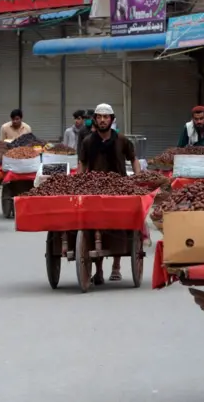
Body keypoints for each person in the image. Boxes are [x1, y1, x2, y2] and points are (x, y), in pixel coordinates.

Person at [78, 103, 141, 285]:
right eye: (99, 117)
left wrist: (137, 180)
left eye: (106, 117)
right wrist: (79, 182)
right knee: (93, 226)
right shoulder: (88, 141)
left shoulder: (121, 140)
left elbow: (134, 159)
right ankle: (97, 270)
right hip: (94, 189)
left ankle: (116, 267)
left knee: (119, 226)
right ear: (95, 120)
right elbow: (82, 163)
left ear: (112, 120)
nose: (103, 120)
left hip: (119, 189)